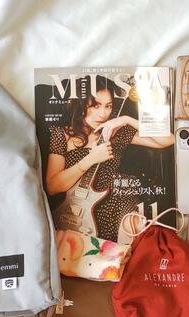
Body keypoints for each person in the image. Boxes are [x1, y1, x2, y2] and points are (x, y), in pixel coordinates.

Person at [46, 75, 173, 242]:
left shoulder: (114, 131)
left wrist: (126, 120)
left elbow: (169, 139)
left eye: (108, 106)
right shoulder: (62, 134)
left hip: (114, 203)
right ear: (81, 104)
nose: (102, 114)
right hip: (74, 209)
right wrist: (91, 158)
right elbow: (53, 187)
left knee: (131, 228)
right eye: (95, 105)